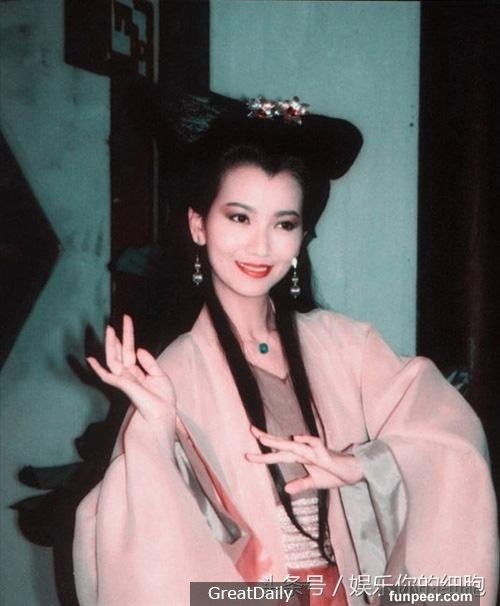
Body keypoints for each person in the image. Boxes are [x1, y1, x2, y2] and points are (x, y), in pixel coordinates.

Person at [73, 97, 498, 606]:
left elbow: (450, 442)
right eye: (239, 217)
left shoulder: (348, 345)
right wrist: (156, 435)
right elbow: (127, 546)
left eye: (283, 224)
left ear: (301, 236)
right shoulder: (173, 372)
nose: (260, 247)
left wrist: (365, 466)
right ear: (198, 224)